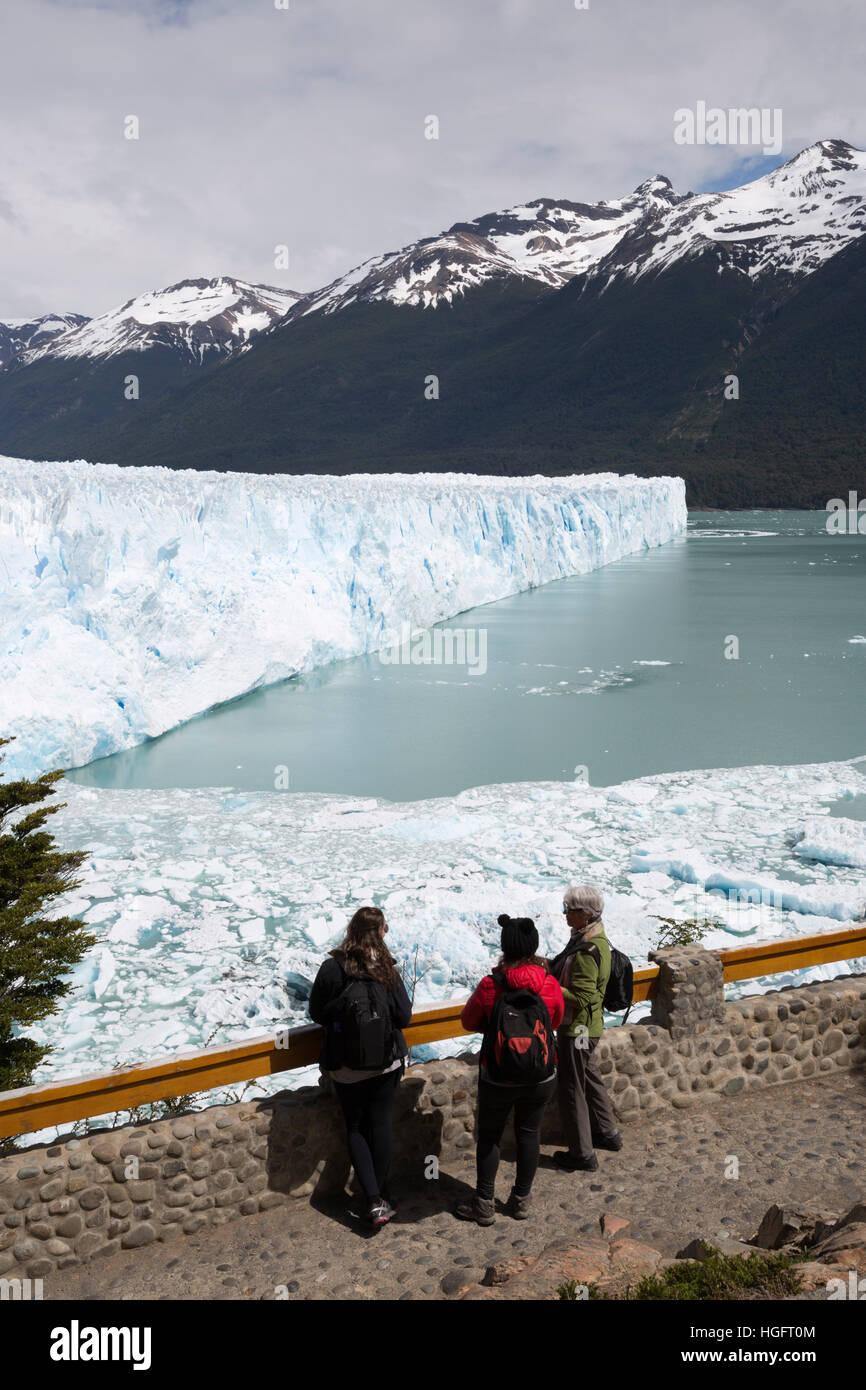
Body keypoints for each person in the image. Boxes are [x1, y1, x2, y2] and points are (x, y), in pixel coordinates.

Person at [455, 913, 564, 1225]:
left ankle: (485, 1202)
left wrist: (498, 1031)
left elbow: (468, 1021)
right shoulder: (550, 984)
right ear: (534, 946)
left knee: (489, 1136)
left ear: (504, 946)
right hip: (541, 1074)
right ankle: (520, 1200)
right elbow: (555, 1021)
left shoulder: (491, 985)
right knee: (529, 1133)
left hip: (497, 1075)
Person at [308, 905, 412, 1228]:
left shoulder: (332, 968)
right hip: (385, 1065)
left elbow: (316, 1012)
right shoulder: (386, 969)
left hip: (346, 1067)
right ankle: (379, 1195)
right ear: (380, 933)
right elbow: (404, 1016)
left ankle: (372, 1200)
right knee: (380, 1126)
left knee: (355, 1128)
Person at [551, 883, 622, 1173]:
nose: (566, 914)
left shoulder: (585, 950)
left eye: (570, 910)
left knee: (572, 1086)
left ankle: (581, 1153)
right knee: (589, 1077)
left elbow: (581, 997)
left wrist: (549, 987)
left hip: (577, 1029)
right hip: (590, 1027)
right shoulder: (597, 940)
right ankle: (608, 1133)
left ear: (587, 913)